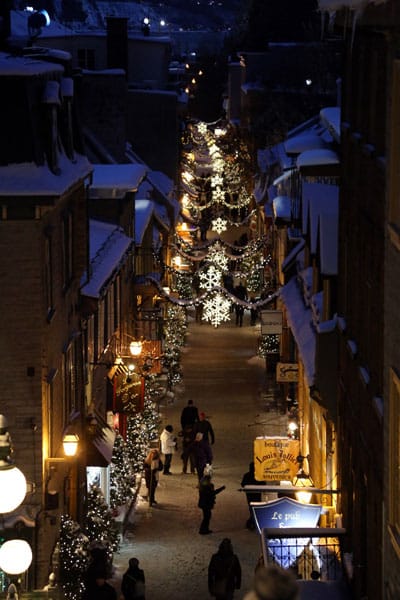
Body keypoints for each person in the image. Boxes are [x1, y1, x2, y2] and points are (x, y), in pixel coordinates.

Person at [241, 462, 266, 530]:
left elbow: (243, 484)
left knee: (252, 508)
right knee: (256, 507)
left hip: (250, 494)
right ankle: (253, 522)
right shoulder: (258, 475)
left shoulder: (247, 475)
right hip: (256, 494)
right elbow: (263, 484)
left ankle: (252, 522)